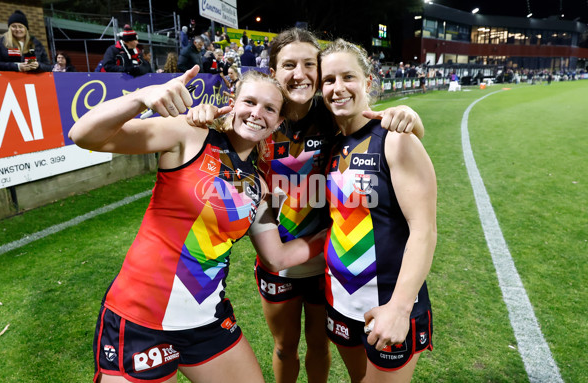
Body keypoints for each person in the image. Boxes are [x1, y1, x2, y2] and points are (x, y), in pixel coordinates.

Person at [186, 27, 425, 383]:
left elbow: (374, 131)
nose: (299, 74)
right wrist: (203, 115)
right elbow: (224, 145)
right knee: (284, 347)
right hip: (276, 260)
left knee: (319, 345)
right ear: (273, 71)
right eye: (288, 65)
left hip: (325, 264)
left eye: (308, 64)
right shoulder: (259, 119)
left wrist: (409, 116)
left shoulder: (332, 114)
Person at [69, 67, 326, 383]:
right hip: (141, 318)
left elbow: (277, 258)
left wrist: (332, 234)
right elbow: (83, 134)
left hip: (205, 321)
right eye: (250, 102)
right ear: (232, 102)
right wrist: (141, 97)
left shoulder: (258, 184)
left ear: (278, 122)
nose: (257, 113)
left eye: (269, 109)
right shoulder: (190, 134)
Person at [320, 38, 436, 383]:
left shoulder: (396, 137)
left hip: (389, 303)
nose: (338, 88)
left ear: (368, 82)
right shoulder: (333, 141)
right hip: (340, 300)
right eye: (328, 80)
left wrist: (400, 309)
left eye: (348, 77)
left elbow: (424, 230)